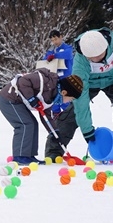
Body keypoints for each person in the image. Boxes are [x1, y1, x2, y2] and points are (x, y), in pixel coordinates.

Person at [52, 28, 113, 164]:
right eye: (91, 58)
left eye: (99, 56)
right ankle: (54, 152)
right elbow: (80, 99)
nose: (95, 59)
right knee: (71, 113)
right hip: (90, 83)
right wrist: (87, 130)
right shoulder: (80, 63)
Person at [0, 68, 83, 165]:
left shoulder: (52, 96)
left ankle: (29, 155)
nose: (69, 101)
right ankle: (20, 156)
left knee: (33, 124)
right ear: (64, 92)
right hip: (8, 99)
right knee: (25, 124)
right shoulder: (46, 82)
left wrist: (54, 131)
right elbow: (24, 81)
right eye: (70, 99)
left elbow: (46, 116)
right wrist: (31, 98)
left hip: (18, 102)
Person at [42, 30, 75, 158]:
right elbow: (46, 58)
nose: (54, 42)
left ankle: (65, 124)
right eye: (52, 40)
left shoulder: (67, 48)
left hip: (67, 81)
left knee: (67, 105)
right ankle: (55, 124)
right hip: (56, 81)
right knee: (55, 104)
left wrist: (53, 57)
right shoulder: (52, 50)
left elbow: (66, 55)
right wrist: (51, 56)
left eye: (56, 39)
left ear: (61, 37)